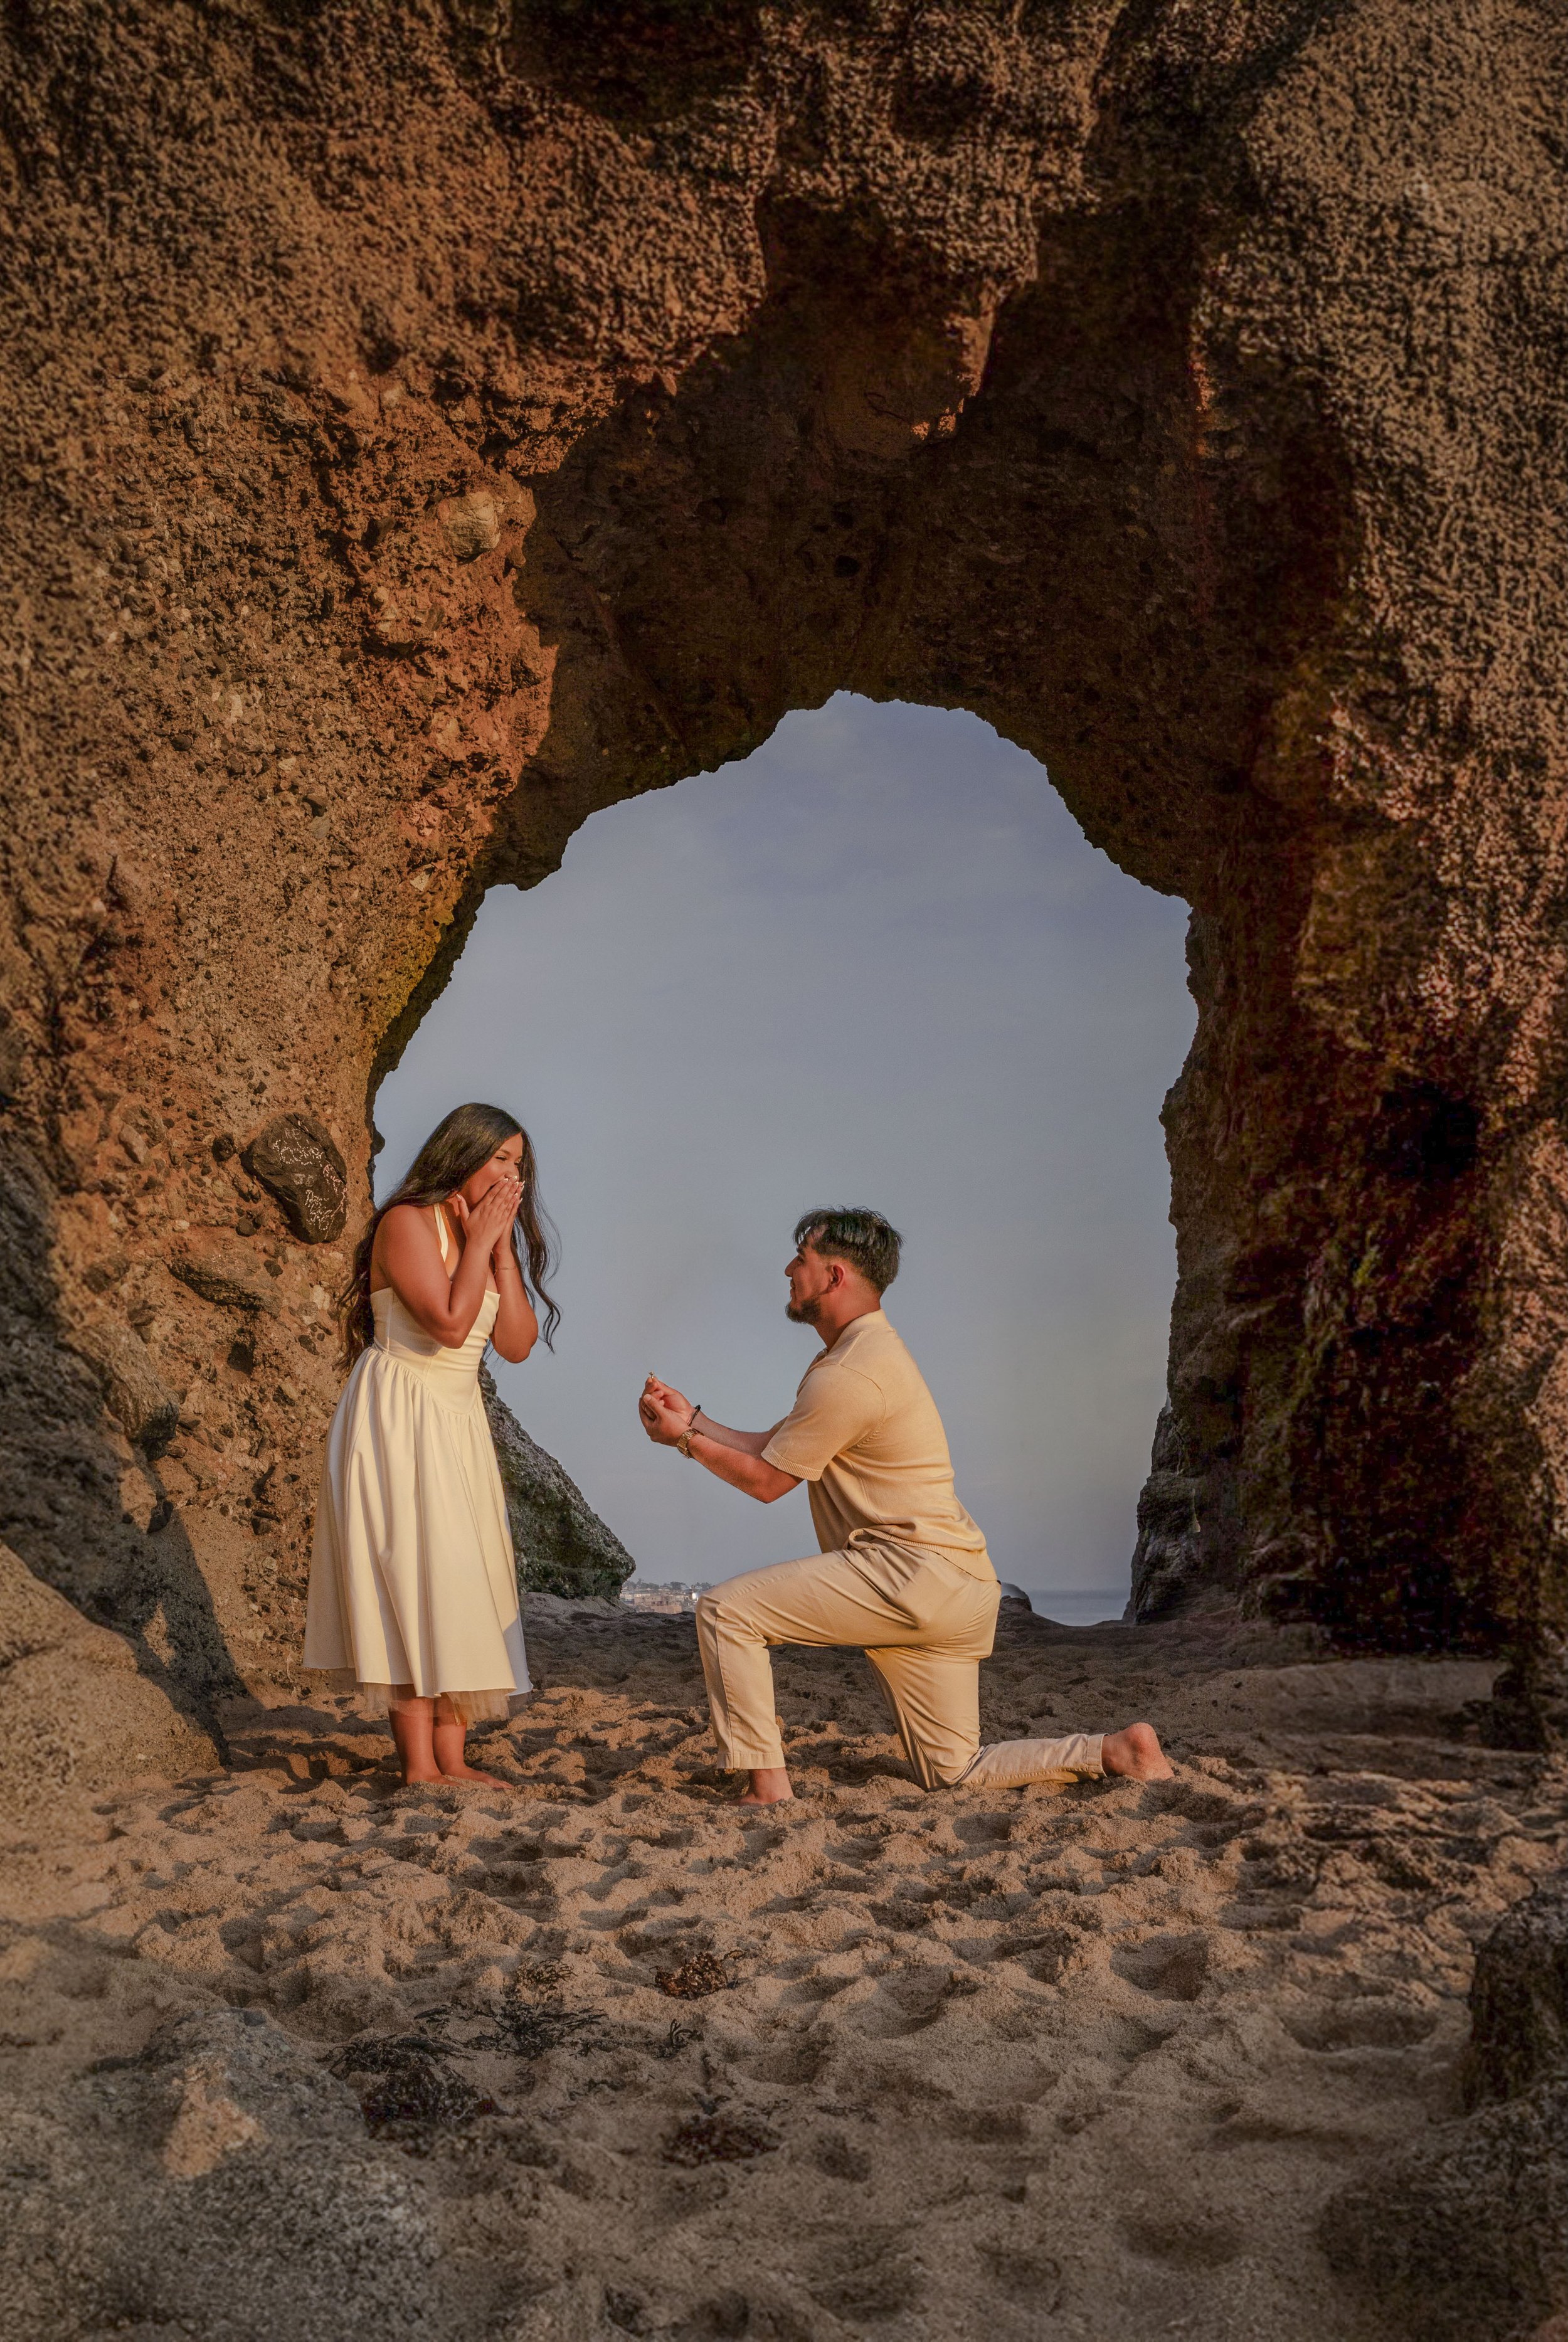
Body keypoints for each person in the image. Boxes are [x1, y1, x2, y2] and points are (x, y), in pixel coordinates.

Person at [638, 1208, 1172, 1806]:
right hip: (962, 1586)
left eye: (802, 1260)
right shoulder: (861, 1356)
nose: (789, 1270)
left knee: (725, 1612)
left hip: (906, 1575)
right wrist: (696, 1421)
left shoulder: (849, 1373)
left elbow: (767, 1481)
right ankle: (1116, 1750)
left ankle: (767, 1788)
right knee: (954, 1773)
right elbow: (777, 1446)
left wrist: (683, 1442)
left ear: (835, 1276)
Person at [304, 1103, 558, 1787]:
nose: (514, 1174)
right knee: (412, 1576)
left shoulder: (483, 1235)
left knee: (461, 1579)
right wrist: (477, 1244)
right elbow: (449, 1324)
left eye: (519, 1162)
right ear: (462, 1155)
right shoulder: (407, 1223)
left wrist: (500, 1248)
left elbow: (516, 1343)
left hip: (457, 1417)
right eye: (501, 1159)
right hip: (401, 1411)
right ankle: (419, 1764)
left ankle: (453, 1758)